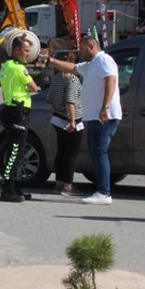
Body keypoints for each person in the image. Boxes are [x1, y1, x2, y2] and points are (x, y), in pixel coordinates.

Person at [45, 36, 121, 204]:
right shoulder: (91, 65)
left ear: (91, 46)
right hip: (95, 116)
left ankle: (104, 192)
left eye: (82, 48)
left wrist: (106, 106)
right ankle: (102, 191)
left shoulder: (104, 59)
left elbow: (111, 79)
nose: (79, 51)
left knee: (100, 153)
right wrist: (51, 60)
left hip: (104, 117)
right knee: (96, 152)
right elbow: (72, 68)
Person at [0, 36, 39, 203]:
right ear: (16, 50)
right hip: (18, 112)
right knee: (16, 154)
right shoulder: (19, 69)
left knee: (12, 152)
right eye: (25, 51)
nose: (28, 54)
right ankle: (7, 190)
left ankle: (13, 186)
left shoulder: (6, 66)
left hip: (10, 110)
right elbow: (33, 87)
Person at [45, 41, 84, 196]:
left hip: (57, 118)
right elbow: (70, 101)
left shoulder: (57, 79)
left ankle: (58, 182)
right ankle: (68, 185)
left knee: (61, 151)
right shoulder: (73, 80)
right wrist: (73, 121)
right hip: (71, 120)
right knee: (71, 154)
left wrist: (56, 110)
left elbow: (50, 98)